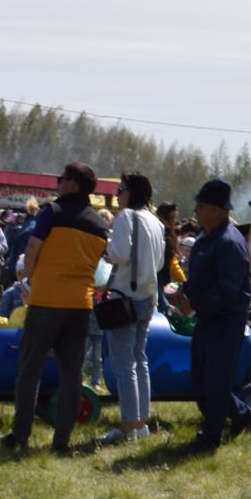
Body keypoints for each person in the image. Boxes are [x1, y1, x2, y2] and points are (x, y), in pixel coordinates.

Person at [0, 163, 110, 454]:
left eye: (61, 179)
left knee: (30, 368)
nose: (58, 183)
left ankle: (19, 435)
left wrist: (30, 281)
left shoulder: (52, 212)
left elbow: (32, 251)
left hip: (47, 299)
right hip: (80, 304)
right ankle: (62, 442)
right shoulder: (100, 224)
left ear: (72, 184)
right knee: (72, 373)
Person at [173, 179, 251, 452]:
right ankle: (241, 413)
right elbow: (199, 278)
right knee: (202, 378)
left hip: (226, 320)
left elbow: (226, 290)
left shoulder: (229, 243)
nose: (195, 209)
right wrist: (184, 293)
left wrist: (193, 303)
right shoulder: (207, 238)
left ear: (218, 210)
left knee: (217, 380)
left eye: (201, 205)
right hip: (208, 317)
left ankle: (210, 439)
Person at [100, 173, 165, 446]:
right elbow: (160, 262)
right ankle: (140, 424)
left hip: (125, 295)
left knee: (124, 363)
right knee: (140, 360)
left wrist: (106, 245)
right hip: (148, 296)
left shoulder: (126, 217)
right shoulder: (156, 221)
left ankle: (129, 426)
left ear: (131, 192)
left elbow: (120, 254)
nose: (117, 194)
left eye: (120, 189)